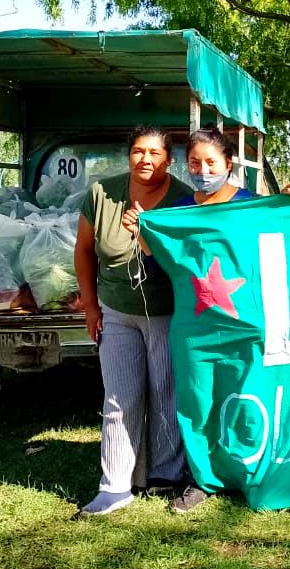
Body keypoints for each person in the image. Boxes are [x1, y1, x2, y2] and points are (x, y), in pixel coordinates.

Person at [74, 126, 201, 517]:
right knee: (119, 397)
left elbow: (187, 262)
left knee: (165, 391)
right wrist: (92, 308)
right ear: (128, 155)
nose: (146, 160)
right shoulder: (101, 193)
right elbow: (84, 251)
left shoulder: (184, 199)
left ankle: (164, 474)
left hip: (166, 313)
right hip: (116, 311)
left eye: (155, 154)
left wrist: (148, 233)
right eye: (138, 152)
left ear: (168, 159)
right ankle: (114, 486)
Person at [123, 126, 257, 257]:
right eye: (195, 163)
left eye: (211, 163)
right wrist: (139, 231)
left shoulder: (252, 206)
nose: (203, 170)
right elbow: (164, 263)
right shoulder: (180, 209)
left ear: (228, 164)